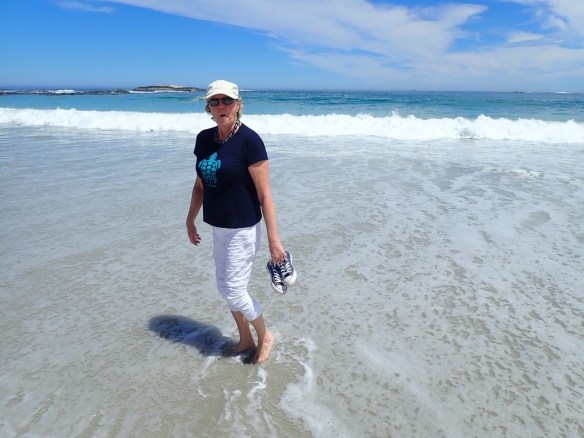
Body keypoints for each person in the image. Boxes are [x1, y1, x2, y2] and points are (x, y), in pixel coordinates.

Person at [186, 79, 294, 364]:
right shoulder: (204, 139)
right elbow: (200, 184)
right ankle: (245, 339)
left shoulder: (250, 141)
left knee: (234, 291)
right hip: (218, 225)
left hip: (243, 228)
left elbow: (265, 195)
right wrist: (190, 220)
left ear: (238, 105)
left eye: (227, 101)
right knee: (225, 288)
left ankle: (265, 336)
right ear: (208, 107)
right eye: (215, 101)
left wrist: (274, 241)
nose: (221, 106)